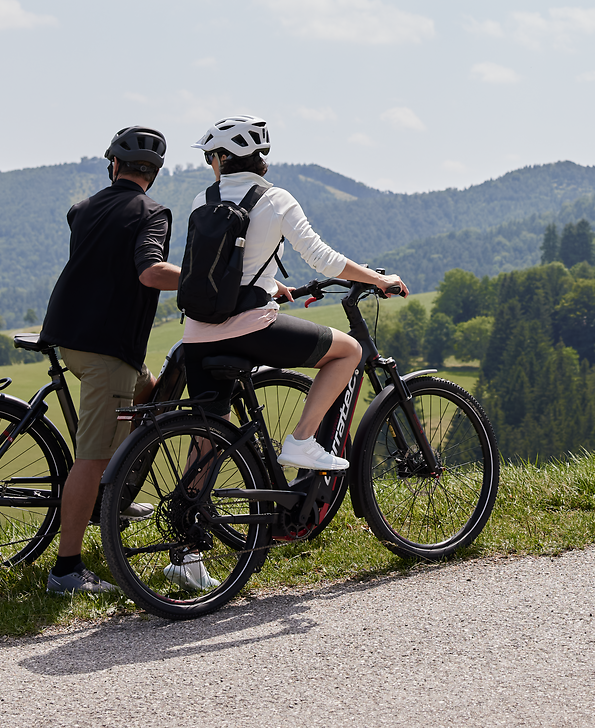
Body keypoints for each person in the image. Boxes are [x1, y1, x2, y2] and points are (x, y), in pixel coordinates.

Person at [180, 114, 405, 474]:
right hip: (248, 331)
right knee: (350, 350)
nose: (210, 165)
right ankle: (301, 442)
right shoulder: (276, 199)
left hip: (196, 335)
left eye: (210, 157)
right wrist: (377, 279)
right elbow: (322, 259)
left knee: (209, 434)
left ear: (222, 158)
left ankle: (188, 515)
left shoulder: (201, 200)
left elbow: (212, 267)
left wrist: (265, 283)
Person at [37, 125, 178, 595]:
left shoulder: (82, 208)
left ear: (113, 165)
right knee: (91, 459)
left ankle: (116, 497)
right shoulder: (154, 212)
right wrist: (209, 279)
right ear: (153, 175)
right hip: (106, 349)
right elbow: (150, 271)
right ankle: (67, 570)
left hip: (70, 336)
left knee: (153, 397)